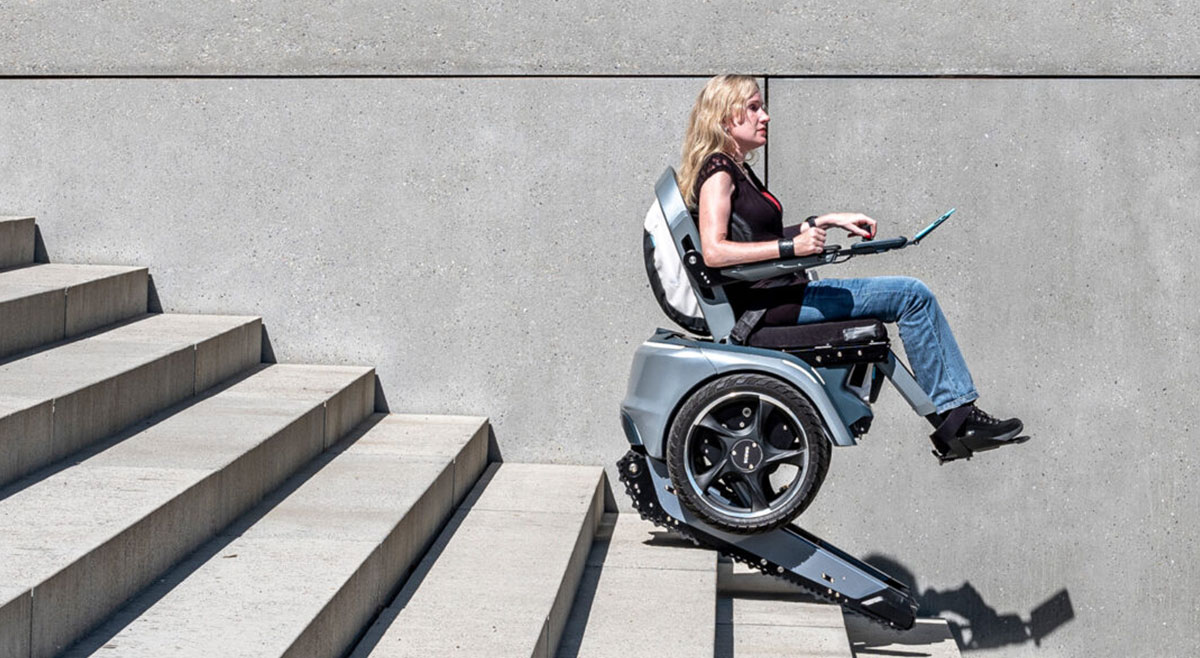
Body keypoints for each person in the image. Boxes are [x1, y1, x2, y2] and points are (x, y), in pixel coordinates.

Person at [678, 74, 1024, 457]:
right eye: (754, 107)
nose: (766, 116)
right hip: (767, 307)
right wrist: (791, 246)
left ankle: (956, 418)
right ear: (727, 117)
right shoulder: (719, 171)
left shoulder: (736, 169)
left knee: (910, 295)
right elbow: (714, 252)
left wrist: (822, 222)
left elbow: (752, 237)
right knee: (912, 296)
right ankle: (958, 417)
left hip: (780, 295)